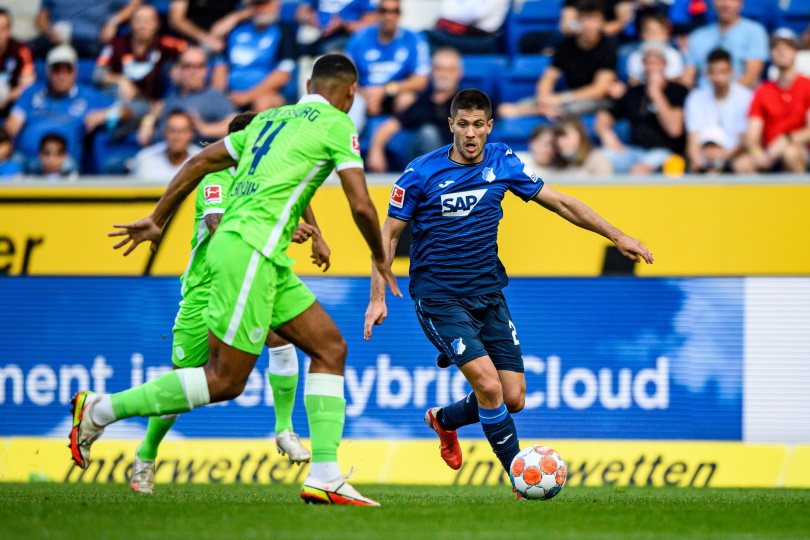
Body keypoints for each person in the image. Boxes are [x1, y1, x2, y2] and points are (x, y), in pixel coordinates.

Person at [69, 54, 400, 507]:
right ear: (351, 92)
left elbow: (200, 160)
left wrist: (158, 218)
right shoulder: (337, 124)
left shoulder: (267, 120)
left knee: (330, 348)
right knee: (225, 380)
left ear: (307, 85)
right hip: (248, 250)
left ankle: (325, 475)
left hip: (265, 256)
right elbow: (361, 203)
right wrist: (380, 257)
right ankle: (99, 410)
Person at [364, 89, 652, 499]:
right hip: (439, 297)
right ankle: (521, 479)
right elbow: (388, 234)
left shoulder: (503, 161)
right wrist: (377, 296)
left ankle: (444, 420)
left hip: (489, 295)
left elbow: (561, 203)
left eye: (478, 125)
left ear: (489, 127)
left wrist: (617, 235)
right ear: (451, 125)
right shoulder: (420, 172)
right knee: (489, 386)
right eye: (463, 125)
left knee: (512, 397)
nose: (470, 133)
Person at [128, 112, 331, 494]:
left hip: (251, 280)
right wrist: (286, 229)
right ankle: (146, 452)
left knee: (283, 339)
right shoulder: (216, 178)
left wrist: (316, 234)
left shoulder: (267, 176)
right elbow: (218, 226)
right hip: (206, 289)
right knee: (180, 384)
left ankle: (284, 430)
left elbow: (300, 193)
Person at [499, 0, 617, 119]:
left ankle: (536, 111)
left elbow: (599, 90)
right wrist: (544, 97)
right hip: (566, 98)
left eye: (595, 20)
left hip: (593, 100)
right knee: (508, 108)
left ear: (602, 22)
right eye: (586, 19)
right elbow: (549, 76)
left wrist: (562, 98)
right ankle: (539, 110)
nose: (590, 25)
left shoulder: (608, 47)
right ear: (578, 21)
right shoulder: (565, 45)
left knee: (570, 109)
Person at [4, 45, 116, 169]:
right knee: (9, 166)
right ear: (48, 71)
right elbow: (12, 125)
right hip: (26, 159)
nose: (61, 76)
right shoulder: (31, 92)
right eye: (56, 70)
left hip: (63, 162)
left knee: (66, 167)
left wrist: (105, 114)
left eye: (67, 70)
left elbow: (125, 110)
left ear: (75, 72)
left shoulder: (88, 96)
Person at [94, 4, 187, 136]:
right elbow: (97, 74)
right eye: (138, 20)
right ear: (131, 23)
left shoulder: (166, 44)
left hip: (150, 105)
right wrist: (121, 80)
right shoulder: (117, 44)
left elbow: (194, 53)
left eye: (148, 21)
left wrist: (180, 65)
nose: (142, 26)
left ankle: (113, 122)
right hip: (119, 98)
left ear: (157, 24)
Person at [366, 48, 462, 173]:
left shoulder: (468, 103)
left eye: (449, 70)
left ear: (459, 73)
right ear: (432, 72)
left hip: (459, 169)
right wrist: (376, 151)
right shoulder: (421, 103)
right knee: (427, 134)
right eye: (439, 69)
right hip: (425, 170)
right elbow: (389, 126)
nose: (443, 75)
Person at [596, 44, 688, 174]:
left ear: (664, 64)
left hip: (667, 152)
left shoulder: (677, 91)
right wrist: (607, 135)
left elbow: (674, 129)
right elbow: (605, 116)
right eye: (648, 63)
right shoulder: (634, 92)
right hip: (635, 152)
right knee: (599, 158)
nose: (651, 68)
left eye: (656, 63)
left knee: (640, 169)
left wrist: (656, 93)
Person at [733, 29, 810, 174]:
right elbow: (752, 133)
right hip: (769, 152)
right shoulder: (762, 90)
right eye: (776, 47)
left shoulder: (807, 85)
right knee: (742, 164)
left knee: (790, 153)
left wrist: (786, 140)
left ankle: (798, 190)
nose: (781, 51)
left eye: (787, 47)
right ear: (770, 54)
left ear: (795, 52)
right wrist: (757, 153)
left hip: (800, 150)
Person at [344, 0, 430, 117]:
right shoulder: (359, 38)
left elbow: (421, 81)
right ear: (377, 13)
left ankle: (396, 127)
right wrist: (364, 94)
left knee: (406, 99)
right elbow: (345, 76)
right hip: (365, 93)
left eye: (394, 11)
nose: (389, 16)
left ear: (400, 14)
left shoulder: (414, 39)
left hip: (395, 94)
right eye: (384, 11)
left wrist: (384, 90)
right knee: (352, 100)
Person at [138, 47, 237, 146]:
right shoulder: (173, 93)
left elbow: (236, 126)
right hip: (160, 148)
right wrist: (147, 124)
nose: (192, 72)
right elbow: (156, 110)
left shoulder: (214, 95)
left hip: (193, 152)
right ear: (179, 69)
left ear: (206, 70)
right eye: (187, 66)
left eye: (198, 66)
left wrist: (204, 129)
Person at [212, 0, 297, 111]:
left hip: (266, 94)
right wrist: (219, 96)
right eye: (257, 4)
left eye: (265, 4)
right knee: (211, 101)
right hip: (231, 95)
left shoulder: (283, 32)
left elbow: (283, 74)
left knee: (263, 102)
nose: (261, 9)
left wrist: (246, 96)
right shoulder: (236, 31)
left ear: (275, 5)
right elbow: (221, 64)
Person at [684, 48, 752, 172]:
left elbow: (745, 140)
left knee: (744, 164)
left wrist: (723, 155)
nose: (718, 77)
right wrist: (698, 160)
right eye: (713, 72)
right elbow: (692, 141)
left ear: (731, 71)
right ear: (707, 73)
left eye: (722, 72)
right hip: (705, 155)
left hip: (735, 155)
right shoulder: (695, 98)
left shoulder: (746, 97)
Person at [683, 0, 768, 89]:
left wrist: (726, 96)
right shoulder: (697, 36)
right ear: (713, 3)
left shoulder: (755, 31)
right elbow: (688, 78)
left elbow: (751, 76)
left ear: (740, 3)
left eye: (731, 0)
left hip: (741, 94)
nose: (725, 4)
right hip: (703, 94)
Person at [31, 0, 143, 59]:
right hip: (54, 37)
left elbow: (135, 3)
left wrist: (113, 21)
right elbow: (41, 16)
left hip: (89, 40)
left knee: (104, 53)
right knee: (28, 50)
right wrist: (49, 31)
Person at [130, 111, 203, 181]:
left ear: (191, 134)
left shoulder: (202, 160)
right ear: (164, 133)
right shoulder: (145, 159)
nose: (177, 137)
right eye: (172, 131)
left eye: (183, 131)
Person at [424, 0, 510, 55]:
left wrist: (456, 15)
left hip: (483, 40)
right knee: (426, 38)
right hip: (463, 35)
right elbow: (447, 11)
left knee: (428, 36)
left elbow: (476, 14)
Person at [295, 0, 376, 55]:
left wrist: (343, 24)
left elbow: (369, 25)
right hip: (316, 32)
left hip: (345, 35)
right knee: (302, 40)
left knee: (329, 50)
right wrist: (310, 19)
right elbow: (301, 12)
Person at [169, 0, 250, 55]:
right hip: (191, 42)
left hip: (227, 40)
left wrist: (234, 18)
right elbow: (176, 20)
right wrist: (206, 38)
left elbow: (254, 8)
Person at [625, 13, 685, 85]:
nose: (653, 36)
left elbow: (676, 81)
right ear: (641, 34)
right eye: (649, 32)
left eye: (658, 32)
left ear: (667, 34)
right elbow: (633, 82)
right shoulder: (635, 56)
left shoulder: (674, 55)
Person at [0, 9, 36, 119]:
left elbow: (27, 85)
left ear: (9, 30)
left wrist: (6, 97)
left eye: (2, 29)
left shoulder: (21, 51)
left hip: (11, 105)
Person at [560, 0, 634, 38]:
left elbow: (621, 22)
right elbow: (568, 23)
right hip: (579, 36)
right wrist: (585, 28)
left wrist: (595, 28)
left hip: (608, 37)